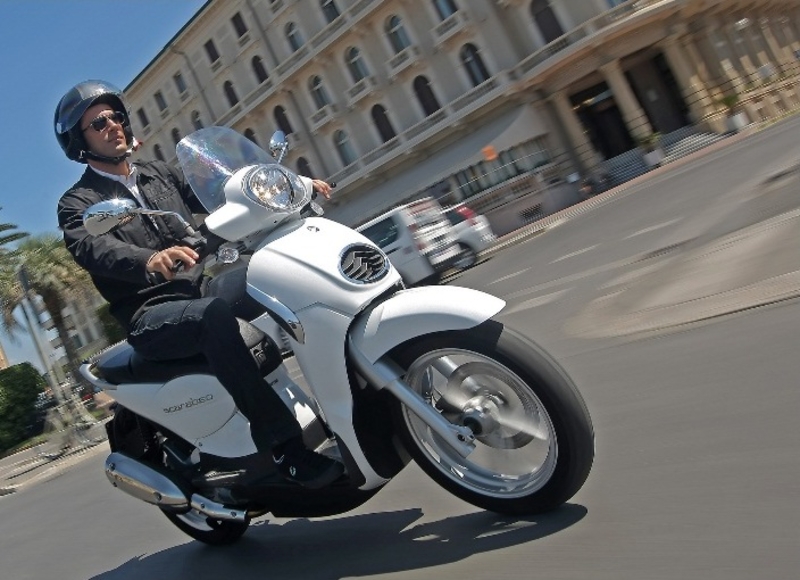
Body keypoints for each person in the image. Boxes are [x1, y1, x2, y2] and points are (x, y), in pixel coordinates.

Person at [55, 80, 342, 489]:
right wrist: (148, 260)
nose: (113, 125)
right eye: (99, 123)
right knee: (214, 316)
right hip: (150, 314)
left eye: (116, 116)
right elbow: (91, 247)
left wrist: (288, 185)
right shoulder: (79, 202)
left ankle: (344, 396)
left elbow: (222, 189)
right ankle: (285, 449)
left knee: (277, 272)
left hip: (198, 290)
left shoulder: (159, 175)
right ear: (79, 141)